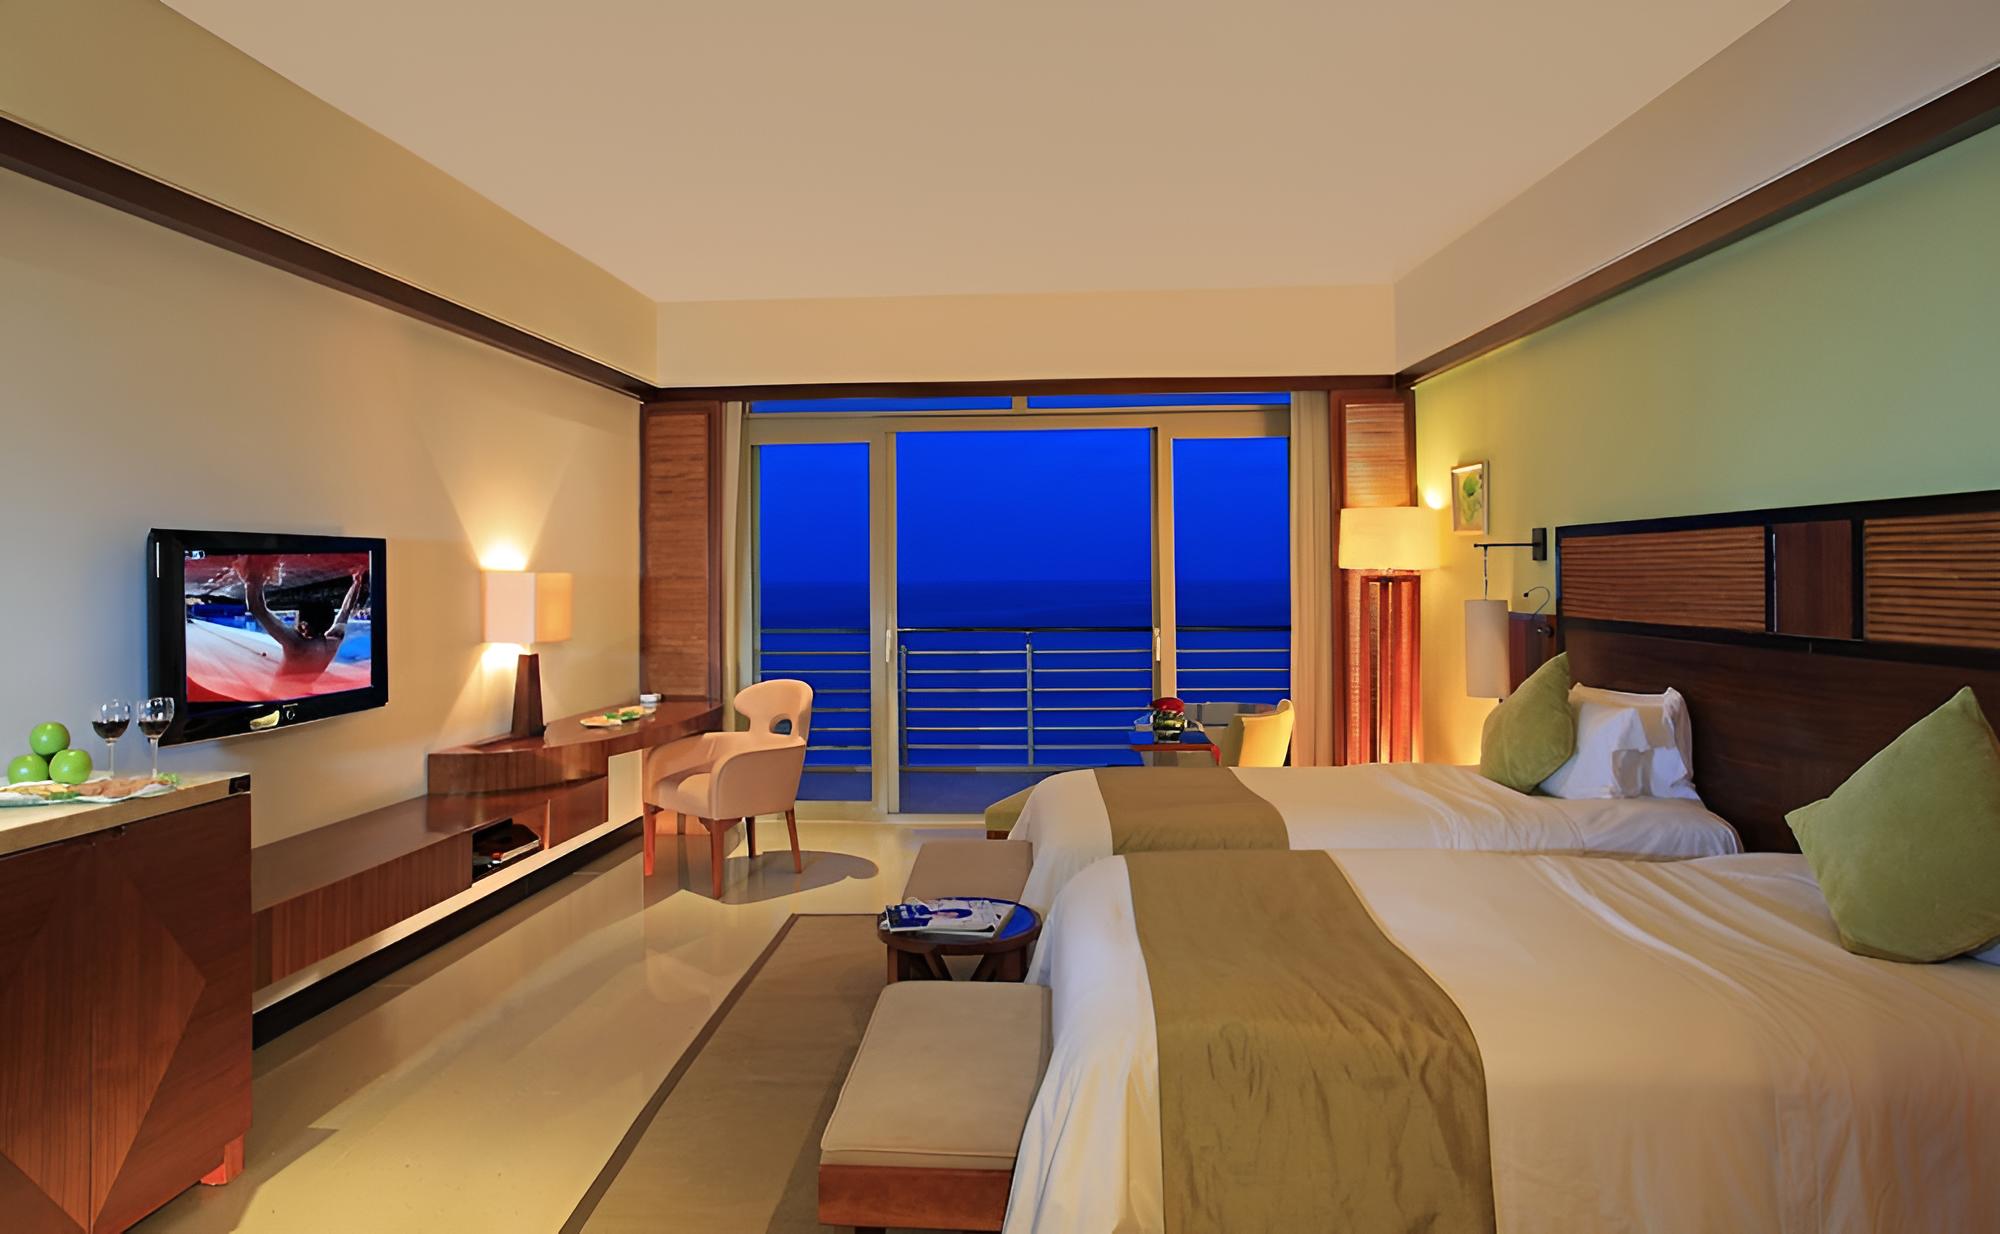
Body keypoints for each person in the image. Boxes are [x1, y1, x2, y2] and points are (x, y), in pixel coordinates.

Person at [233, 557, 366, 685]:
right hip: (303, 691)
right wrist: (357, 583)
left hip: (280, 694)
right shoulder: (333, 642)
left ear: (304, 625)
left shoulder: (296, 644)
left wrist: (252, 579)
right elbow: (345, 611)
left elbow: (256, 608)